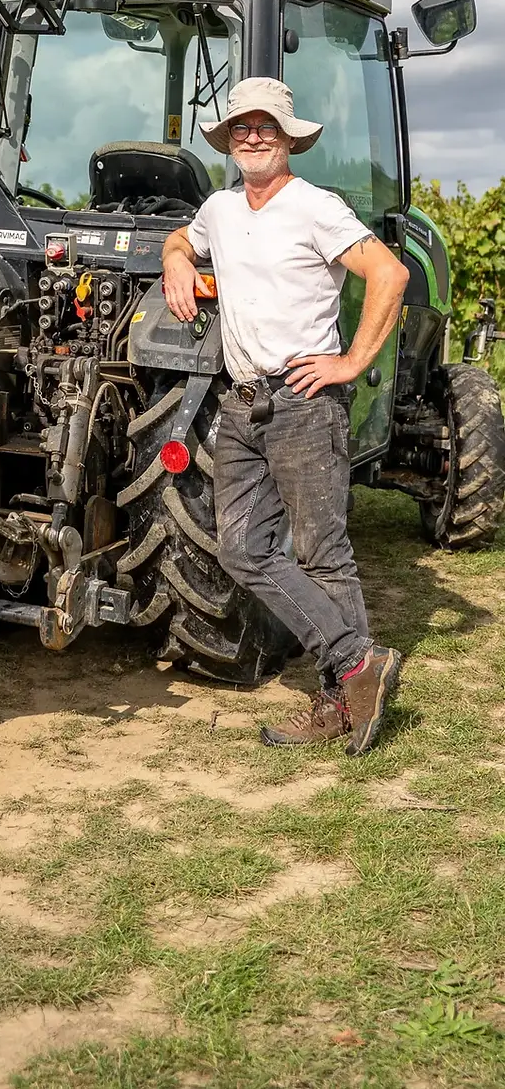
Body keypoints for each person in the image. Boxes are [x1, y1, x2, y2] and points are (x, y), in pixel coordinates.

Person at [161, 76, 409, 754]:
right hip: (242, 404)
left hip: (304, 401)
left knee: (322, 555)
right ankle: (360, 662)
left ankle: (341, 699)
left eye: (266, 125)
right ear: (228, 140)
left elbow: (390, 275)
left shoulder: (315, 208)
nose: (253, 136)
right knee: (242, 549)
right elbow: (180, 239)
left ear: (288, 137)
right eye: (241, 127)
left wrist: (351, 363)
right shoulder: (218, 208)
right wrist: (177, 262)